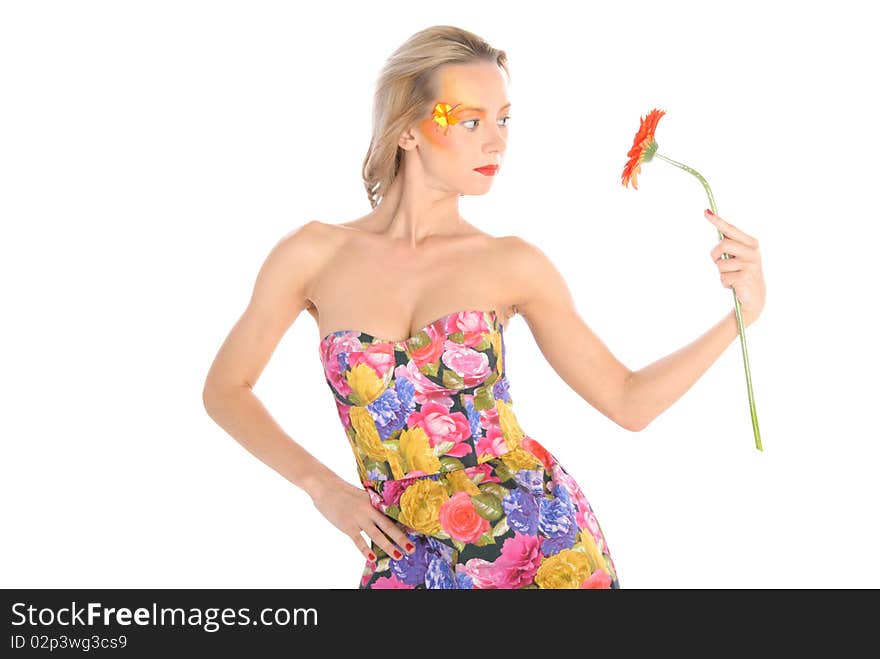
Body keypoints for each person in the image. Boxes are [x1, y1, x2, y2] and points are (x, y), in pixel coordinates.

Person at [202, 25, 766, 589]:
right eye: (471, 121)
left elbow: (627, 401)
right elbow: (226, 389)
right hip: (405, 555)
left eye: (503, 120)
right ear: (407, 131)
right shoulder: (313, 254)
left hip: (542, 551)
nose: (496, 142)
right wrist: (322, 487)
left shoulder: (512, 264)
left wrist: (740, 316)